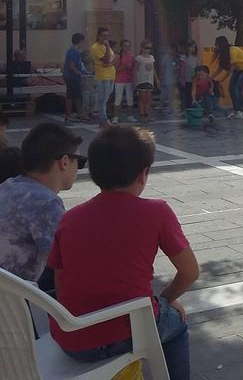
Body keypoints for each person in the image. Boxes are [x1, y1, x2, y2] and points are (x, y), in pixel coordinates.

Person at [47, 126, 198, 380]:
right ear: (144, 174)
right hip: (126, 332)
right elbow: (190, 272)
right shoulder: (157, 211)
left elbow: (60, 285)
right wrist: (165, 299)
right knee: (177, 325)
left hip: (72, 339)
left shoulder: (69, 219)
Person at [0, 123, 83, 283]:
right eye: (80, 161)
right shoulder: (47, 203)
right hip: (18, 301)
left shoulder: (7, 187)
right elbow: (70, 260)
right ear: (64, 161)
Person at [210, 36, 243, 118]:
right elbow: (221, 67)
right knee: (231, 88)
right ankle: (236, 110)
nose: (216, 46)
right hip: (238, 69)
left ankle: (240, 111)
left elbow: (231, 69)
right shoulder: (224, 53)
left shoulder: (233, 50)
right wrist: (211, 77)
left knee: (237, 88)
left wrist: (223, 79)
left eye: (217, 44)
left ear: (221, 44)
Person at [90, 27, 116, 127]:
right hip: (102, 75)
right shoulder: (95, 47)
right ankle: (103, 120)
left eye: (107, 36)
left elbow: (114, 60)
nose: (106, 38)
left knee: (106, 97)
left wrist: (110, 64)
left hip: (111, 74)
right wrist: (108, 47)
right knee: (103, 99)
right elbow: (106, 59)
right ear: (98, 36)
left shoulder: (107, 47)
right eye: (103, 35)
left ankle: (102, 118)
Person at [63, 33, 87, 123]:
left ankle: (77, 113)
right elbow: (72, 66)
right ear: (80, 41)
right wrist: (80, 73)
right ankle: (72, 114)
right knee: (74, 96)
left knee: (75, 95)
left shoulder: (74, 51)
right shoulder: (74, 51)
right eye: (83, 42)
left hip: (72, 76)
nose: (83, 44)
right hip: (72, 77)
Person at [112, 40, 135, 124]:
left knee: (130, 99)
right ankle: (115, 117)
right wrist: (124, 67)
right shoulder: (118, 56)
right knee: (118, 99)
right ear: (122, 47)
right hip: (119, 80)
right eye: (125, 46)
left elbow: (133, 68)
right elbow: (115, 70)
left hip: (129, 80)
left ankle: (130, 116)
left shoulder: (132, 56)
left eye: (128, 46)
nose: (127, 48)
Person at [134, 40, 157, 124]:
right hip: (142, 80)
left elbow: (153, 69)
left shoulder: (151, 57)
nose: (148, 50)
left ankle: (147, 115)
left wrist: (157, 79)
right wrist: (135, 80)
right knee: (142, 99)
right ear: (142, 48)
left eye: (150, 48)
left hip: (149, 80)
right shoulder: (139, 58)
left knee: (148, 99)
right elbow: (135, 69)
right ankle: (141, 115)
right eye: (146, 48)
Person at [157, 43, 179, 115]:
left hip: (172, 79)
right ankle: (165, 108)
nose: (172, 51)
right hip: (167, 79)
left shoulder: (175, 57)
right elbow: (163, 69)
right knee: (165, 95)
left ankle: (167, 109)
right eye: (170, 49)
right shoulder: (166, 57)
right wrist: (162, 78)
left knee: (168, 95)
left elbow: (175, 68)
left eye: (173, 49)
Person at [179, 41, 199, 109]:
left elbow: (198, 68)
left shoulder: (196, 58)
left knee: (192, 95)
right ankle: (185, 109)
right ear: (187, 48)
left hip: (193, 79)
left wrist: (197, 77)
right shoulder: (184, 57)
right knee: (186, 96)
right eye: (191, 47)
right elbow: (182, 69)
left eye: (194, 47)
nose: (193, 49)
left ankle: (191, 108)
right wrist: (182, 80)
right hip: (186, 80)